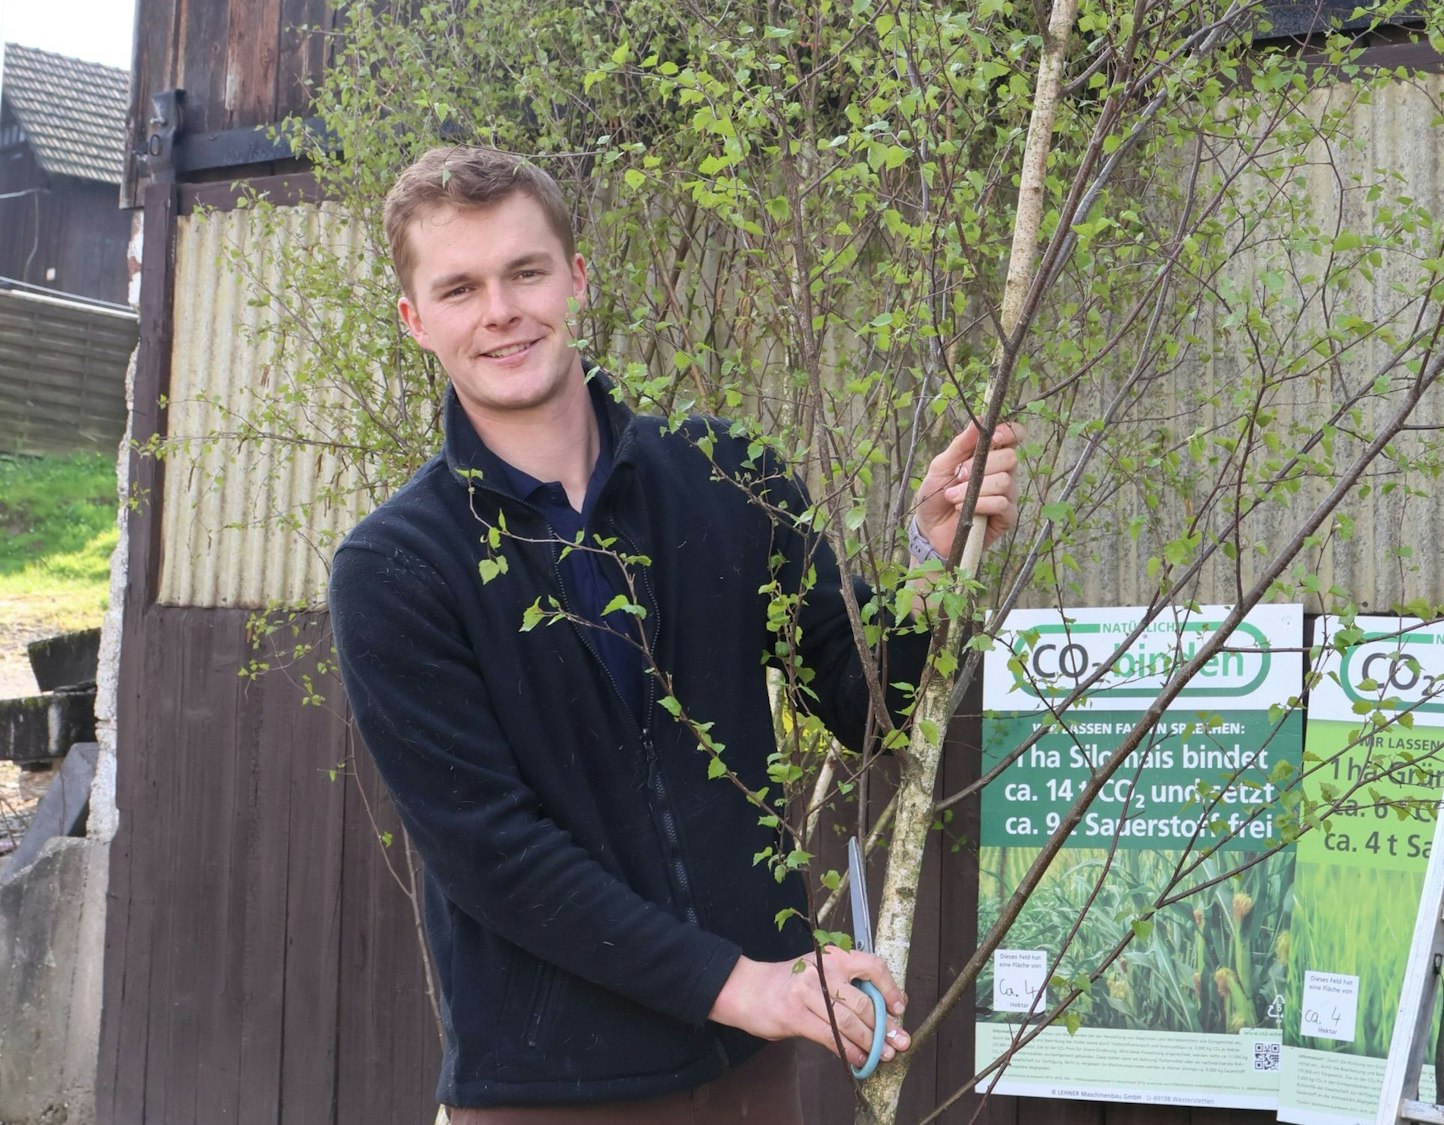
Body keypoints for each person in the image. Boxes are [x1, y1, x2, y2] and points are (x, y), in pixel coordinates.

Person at [327, 145, 1020, 1122]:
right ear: (414, 321)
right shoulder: (398, 566)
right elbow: (493, 855)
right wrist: (751, 985)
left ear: (576, 277)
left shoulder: (724, 478)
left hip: (745, 1086)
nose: (500, 312)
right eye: (459, 288)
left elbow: (868, 708)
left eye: (525, 272)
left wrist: (930, 564)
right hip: (542, 1096)